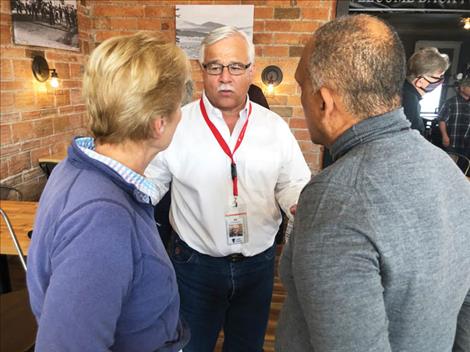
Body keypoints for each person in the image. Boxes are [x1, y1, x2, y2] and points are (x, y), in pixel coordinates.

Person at [276, 14, 470, 352]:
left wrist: (325, 215)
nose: (302, 99)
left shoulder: (336, 196)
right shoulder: (449, 170)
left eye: (301, 88)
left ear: (324, 101)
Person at [146, 26, 310, 352]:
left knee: (247, 347)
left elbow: (292, 182)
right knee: (191, 346)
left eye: (235, 67)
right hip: (194, 266)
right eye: (215, 66)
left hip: (258, 266)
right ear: (201, 70)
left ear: (251, 71)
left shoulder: (274, 128)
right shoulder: (177, 124)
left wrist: (297, 206)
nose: (225, 77)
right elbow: (150, 184)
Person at [27, 32, 191, 351]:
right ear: (159, 123)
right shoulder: (102, 219)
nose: (182, 114)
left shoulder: (76, 168)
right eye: (178, 106)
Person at [402, 47, 449, 135]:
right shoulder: (410, 101)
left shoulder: (403, 91)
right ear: (420, 81)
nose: (441, 80)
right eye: (439, 76)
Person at [439, 75, 470, 174]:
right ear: (462, 88)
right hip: (453, 140)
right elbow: (442, 120)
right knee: (450, 167)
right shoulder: (451, 102)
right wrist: (444, 136)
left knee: (463, 168)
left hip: (467, 142)